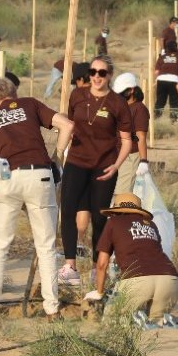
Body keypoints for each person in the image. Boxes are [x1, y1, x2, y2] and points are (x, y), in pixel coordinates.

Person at [0, 77, 74, 316]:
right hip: (39, 175)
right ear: (15, 94)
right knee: (46, 246)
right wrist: (57, 156)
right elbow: (68, 126)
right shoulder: (29, 104)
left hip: (7, 178)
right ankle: (51, 308)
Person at [58, 56, 132, 285]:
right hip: (76, 162)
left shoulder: (118, 103)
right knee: (68, 211)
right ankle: (70, 265)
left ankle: (95, 267)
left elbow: (127, 140)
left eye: (102, 73)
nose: (96, 77)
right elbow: (70, 125)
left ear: (110, 75)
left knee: (99, 218)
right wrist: (59, 152)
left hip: (103, 166)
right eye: (93, 72)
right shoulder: (77, 95)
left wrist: (116, 165)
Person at [84, 193, 178, 326]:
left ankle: (133, 319)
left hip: (137, 280)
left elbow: (101, 264)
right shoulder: (150, 224)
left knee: (112, 320)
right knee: (156, 322)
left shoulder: (113, 222)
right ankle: (160, 319)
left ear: (116, 210)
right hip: (170, 281)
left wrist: (99, 292)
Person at [112, 73, 151, 195]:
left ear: (131, 90)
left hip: (130, 157)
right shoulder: (121, 107)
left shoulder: (139, 109)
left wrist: (143, 161)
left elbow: (141, 136)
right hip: (116, 154)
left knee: (122, 194)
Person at [154, 38, 178, 121]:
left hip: (161, 79)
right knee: (174, 101)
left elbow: (156, 72)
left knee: (160, 100)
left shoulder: (162, 57)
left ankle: (156, 117)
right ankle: (173, 120)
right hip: (174, 80)